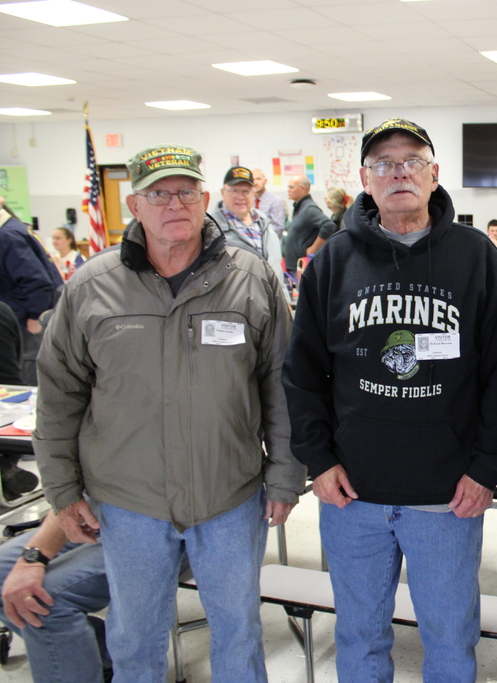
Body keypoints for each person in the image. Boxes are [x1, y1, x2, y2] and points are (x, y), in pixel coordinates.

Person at [33, 144, 305, 682]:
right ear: (135, 205)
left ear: (205, 199)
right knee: (135, 638)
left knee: (239, 634)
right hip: (129, 501)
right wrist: (63, 492)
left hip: (229, 494)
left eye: (185, 191)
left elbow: (282, 387)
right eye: (158, 193)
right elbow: (59, 395)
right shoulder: (91, 286)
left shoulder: (252, 280)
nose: (173, 204)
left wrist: (285, 477)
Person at [283, 117, 497, 683]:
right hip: (352, 497)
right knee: (360, 638)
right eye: (384, 164)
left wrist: (487, 468)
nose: (399, 173)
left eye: (412, 161)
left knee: (450, 639)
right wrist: (317, 460)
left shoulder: (475, 256)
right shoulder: (334, 262)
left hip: (446, 497)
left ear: (434, 174)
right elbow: (304, 374)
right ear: (365, 179)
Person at [0, 510, 111, 683]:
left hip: (149, 520)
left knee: (42, 600)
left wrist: (33, 560)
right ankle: (96, 657)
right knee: (4, 575)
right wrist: (32, 558)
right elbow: (66, 496)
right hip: (95, 513)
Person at [0, 197, 63, 385]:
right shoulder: (12, 229)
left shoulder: (7, 235)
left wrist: (35, 317)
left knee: (28, 376)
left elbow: (36, 280)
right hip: (18, 317)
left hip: (27, 321)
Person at [210, 166, 287, 294]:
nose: (241, 197)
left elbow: (276, 269)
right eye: (234, 191)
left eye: (246, 191)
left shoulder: (264, 224)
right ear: (223, 192)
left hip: (268, 303)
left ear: (253, 193)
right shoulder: (211, 229)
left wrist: (284, 301)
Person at [283, 175, 336, 274]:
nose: (288, 190)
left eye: (291, 187)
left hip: (303, 267)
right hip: (296, 266)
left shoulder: (309, 208)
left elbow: (329, 226)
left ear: (302, 188)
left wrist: (313, 249)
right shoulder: (300, 207)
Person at [252, 168, 287, 238]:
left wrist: (257, 234)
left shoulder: (275, 201)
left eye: (258, 179)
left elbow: (278, 228)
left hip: (269, 243)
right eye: (252, 179)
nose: (255, 182)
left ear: (265, 181)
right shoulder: (249, 201)